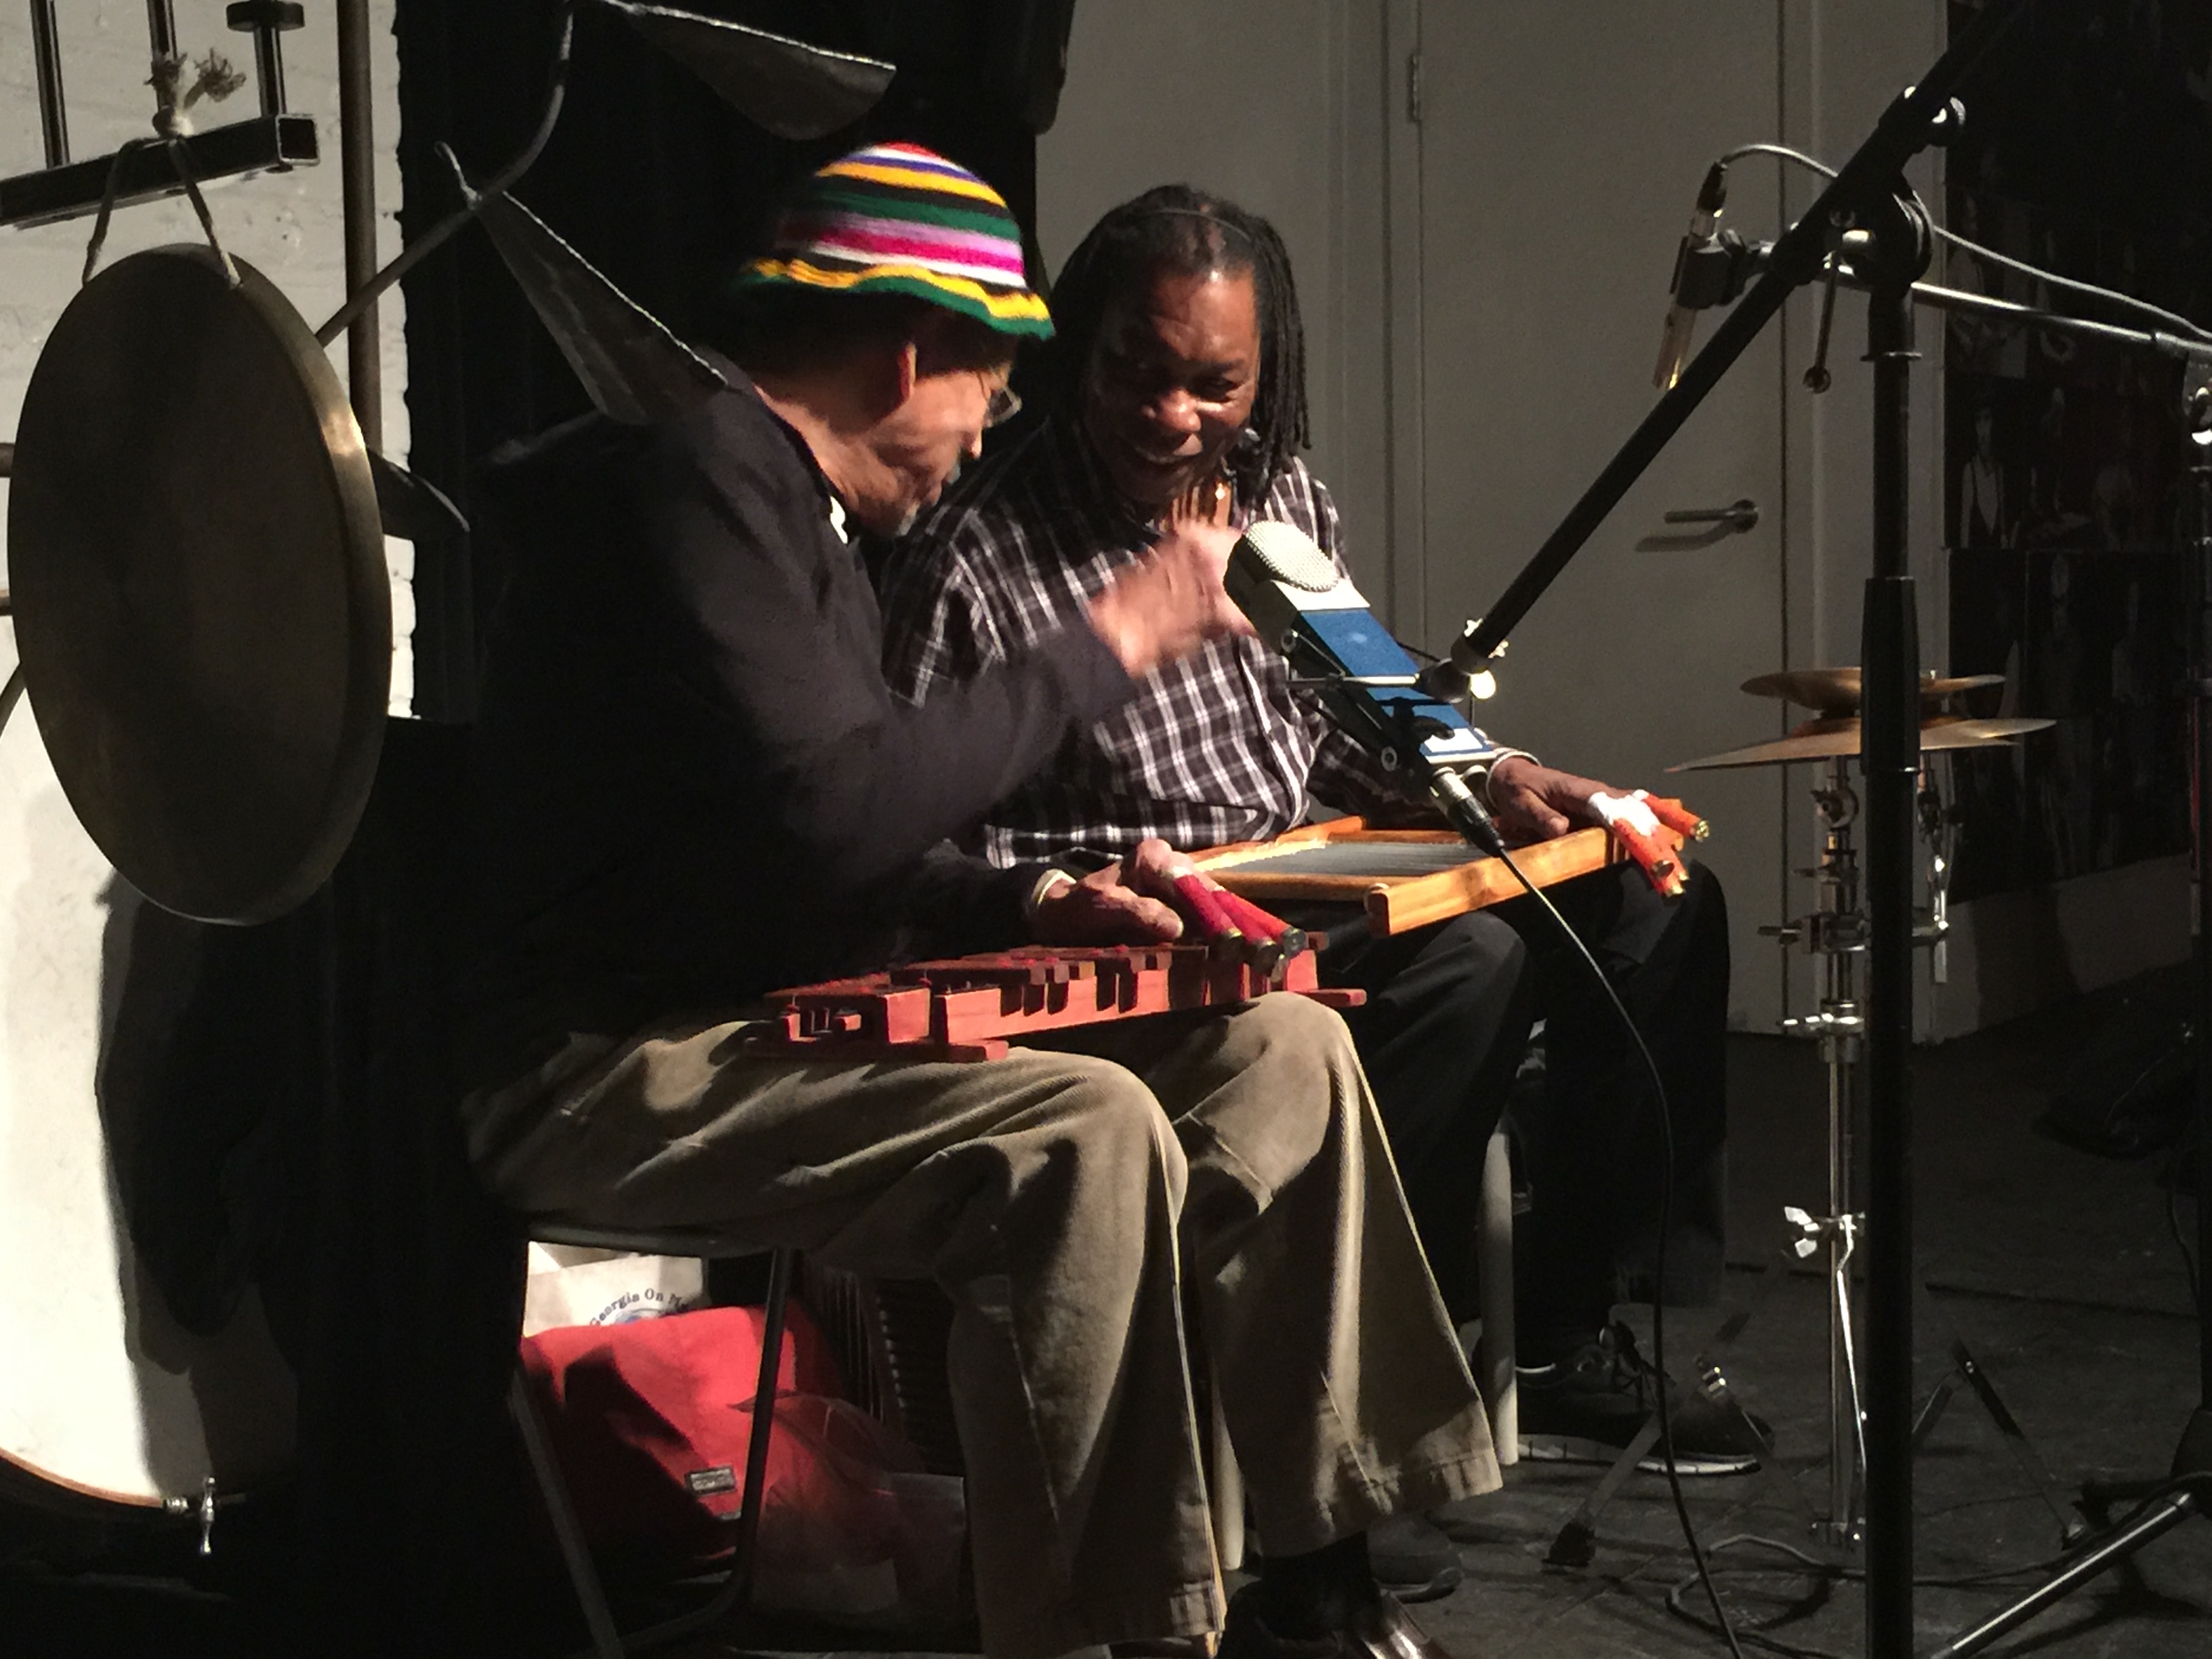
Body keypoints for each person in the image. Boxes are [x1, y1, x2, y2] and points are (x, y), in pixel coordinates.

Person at [457, 144, 1498, 1659]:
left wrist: (1042, 896)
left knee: (1282, 1045)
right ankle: (1123, 1629)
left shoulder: (794, 520)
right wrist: (1104, 642)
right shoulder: (699, 482)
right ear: (906, 347)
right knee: (1083, 1137)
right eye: (990, 375)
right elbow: (836, 821)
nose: (997, 415)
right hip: (604, 1068)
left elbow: (827, 843)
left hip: (759, 1015)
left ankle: (1318, 1557)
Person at [876, 186, 1753, 1532]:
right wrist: (1092, 890)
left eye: (1215, 385)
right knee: (1469, 966)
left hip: (1313, 873)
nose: (1174, 418)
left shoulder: (1277, 497)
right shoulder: (973, 550)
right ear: (1078, 348)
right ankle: (1314, 1416)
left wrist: (1503, 776)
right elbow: (919, 846)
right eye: (1137, 373)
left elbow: (1361, 723)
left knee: (1650, 899)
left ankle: (1555, 1337)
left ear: (1264, 375)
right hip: (1150, 934)